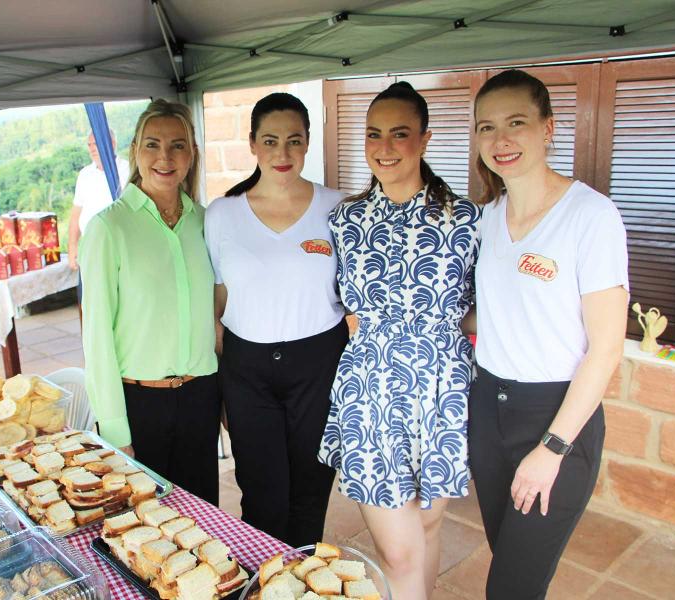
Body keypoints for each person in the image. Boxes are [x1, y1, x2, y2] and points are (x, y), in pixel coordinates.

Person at [467, 69, 627, 600]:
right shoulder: (486, 220)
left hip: (555, 417)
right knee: (512, 563)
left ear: (548, 128)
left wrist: (552, 448)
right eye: (487, 127)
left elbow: (606, 349)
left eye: (516, 123)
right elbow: (487, 316)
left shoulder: (591, 216)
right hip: (486, 408)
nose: (500, 140)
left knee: (511, 586)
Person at [318, 82, 481, 599]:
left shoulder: (468, 222)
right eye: (373, 134)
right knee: (398, 551)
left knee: (428, 531)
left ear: (426, 139)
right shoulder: (345, 220)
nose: (384, 147)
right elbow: (343, 305)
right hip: (372, 392)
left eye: (400, 133)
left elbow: (480, 310)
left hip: (441, 392)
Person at [205, 93, 348, 547]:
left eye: (294, 141)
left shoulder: (339, 208)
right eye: (270, 140)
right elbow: (218, 298)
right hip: (247, 369)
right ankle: (266, 581)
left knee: (311, 487)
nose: (282, 153)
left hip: (319, 362)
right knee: (262, 492)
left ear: (308, 144)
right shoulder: (222, 213)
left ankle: (304, 580)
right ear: (252, 144)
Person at [79, 99, 220, 505]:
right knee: (145, 529)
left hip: (200, 398)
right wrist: (115, 430)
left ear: (192, 154)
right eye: (152, 145)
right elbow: (97, 336)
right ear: (135, 153)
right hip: (140, 405)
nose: (165, 157)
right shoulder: (109, 228)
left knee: (204, 520)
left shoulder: (205, 223)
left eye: (178, 145)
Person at [67, 129, 130, 271]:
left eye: (95, 144)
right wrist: (72, 247)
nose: (91, 149)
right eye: (89, 145)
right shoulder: (85, 174)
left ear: (112, 144)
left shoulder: (128, 170)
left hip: (119, 249)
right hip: (89, 248)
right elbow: (76, 214)